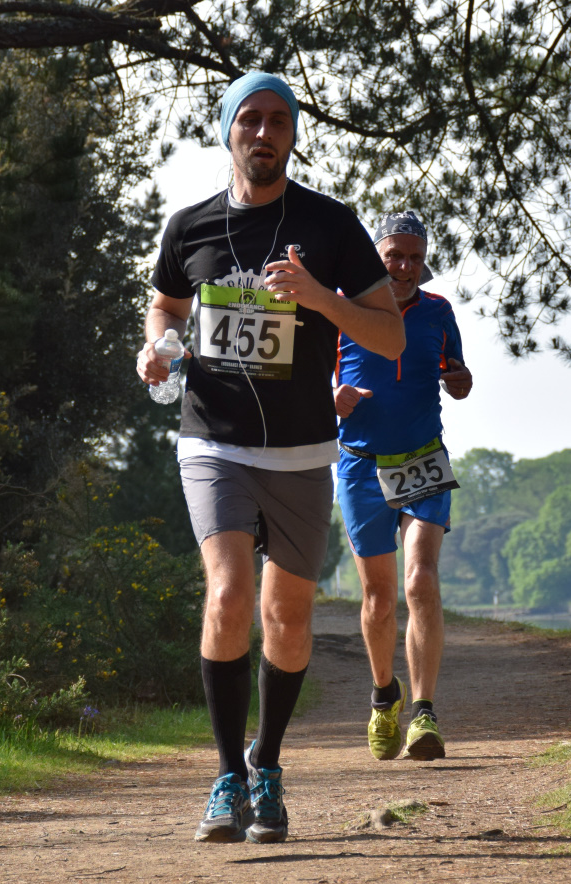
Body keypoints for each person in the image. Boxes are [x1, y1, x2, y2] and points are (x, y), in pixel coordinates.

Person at [137, 72, 405, 844]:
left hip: (300, 449)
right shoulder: (189, 227)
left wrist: (320, 297)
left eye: (277, 121)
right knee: (228, 595)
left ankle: (268, 765)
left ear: (292, 136)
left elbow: (388, 337)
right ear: (228, 132)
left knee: (286, 616)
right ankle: (227, 777)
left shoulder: (330, 224)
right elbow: (166, 305)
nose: (263, 133)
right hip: (211, 439)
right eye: (249, 120)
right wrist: (158, 349)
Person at [333, 209, 473, 761]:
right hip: (360, 465)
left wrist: (461, 381)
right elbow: (312, 379)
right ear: (377, 256)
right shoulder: (341, 308)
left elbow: (457, 377)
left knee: (420, 580)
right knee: (378, 596)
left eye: (415, 257)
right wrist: (332, 398)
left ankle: (424, 712)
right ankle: (382, 696)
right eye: (394, 255)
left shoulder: (438, 311)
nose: (405, 266)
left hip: (422, 460)